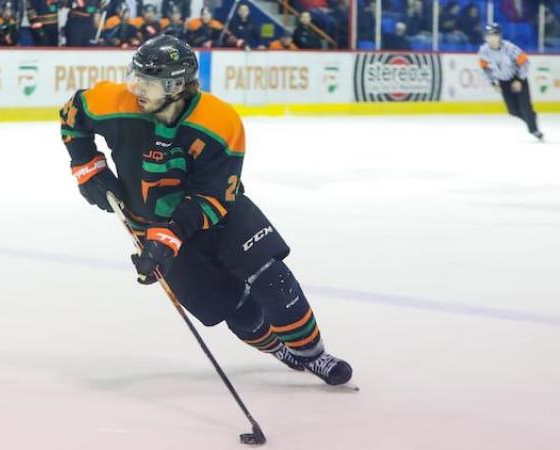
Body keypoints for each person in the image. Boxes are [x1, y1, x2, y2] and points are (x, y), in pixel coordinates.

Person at [58, 35, 353, 386]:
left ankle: (313, 355)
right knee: (230, 307)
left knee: (270, 276)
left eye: (148, 83)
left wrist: (168, 237)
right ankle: (278, 348)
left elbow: (213, 196)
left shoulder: (218, 122)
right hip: (148, 223)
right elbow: (73, 112)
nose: (136, 88)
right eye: (135, 77)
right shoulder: (114, 102)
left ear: (176, 86)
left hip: (221, 216)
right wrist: (88, 167)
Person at [479, 23, 543, 140]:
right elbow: (485, 68)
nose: (491, 38)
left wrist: (519, 80)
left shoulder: (510, 48)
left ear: (499, 36)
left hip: (518, 79)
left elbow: (525, 62)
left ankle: (534, 130)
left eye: (494, 35)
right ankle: (531, 117)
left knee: (524, 107)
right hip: (503, 82)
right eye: (488, 35)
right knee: (512, 111)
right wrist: (493, 82)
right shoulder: (484, 50)